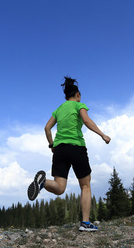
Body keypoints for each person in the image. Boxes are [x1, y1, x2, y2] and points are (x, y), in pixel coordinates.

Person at [27, 76, 111, 232]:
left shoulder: (59, 109)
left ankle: (43, 183)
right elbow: (86, 121)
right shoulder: (79, 105)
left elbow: (47, 128)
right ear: (77, 95)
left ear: (66, 96)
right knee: (85, 185)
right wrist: (102, 135)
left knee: (59, 188)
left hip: (59, 150)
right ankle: (85, 223)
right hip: (76, 147)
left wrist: (52, 145)